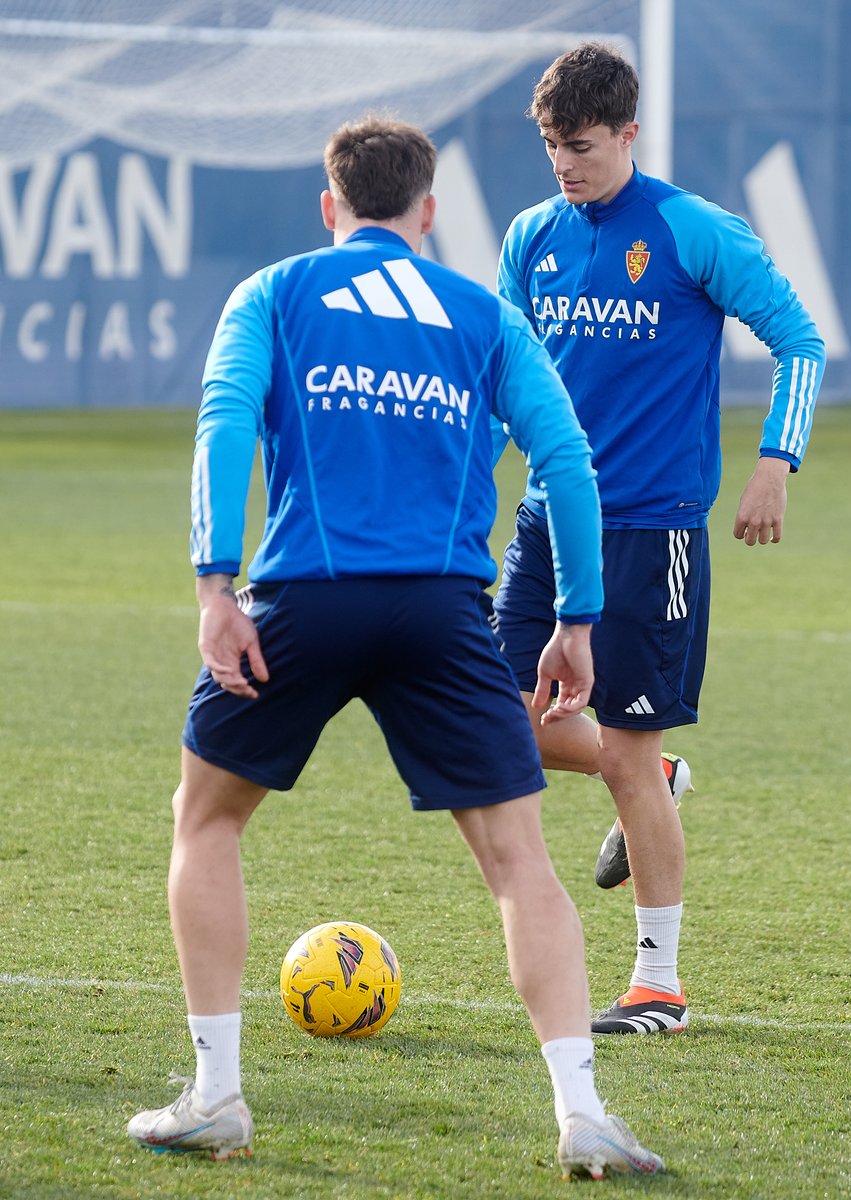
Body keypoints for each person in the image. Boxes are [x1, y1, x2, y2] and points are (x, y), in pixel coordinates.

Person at [126, 116, 664, 1181]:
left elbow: (224, 418)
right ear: (430, 212)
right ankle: (583, 1111)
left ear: (331, 209)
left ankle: (216, 1094)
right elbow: (565, 457)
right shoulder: (482, 312)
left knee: (207, 819)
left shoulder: (275, 293)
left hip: (302, 603)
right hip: (443, 613)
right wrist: (577, 620)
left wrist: (212, 584)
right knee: (520, 862)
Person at [492, 43, 826, 1035]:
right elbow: (503, 370)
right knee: (501, 726)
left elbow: (799, 341)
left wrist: (777, 460)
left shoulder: (692, 231)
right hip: (547, 521)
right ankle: (650, 779)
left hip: (651, 531)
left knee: (631, 755)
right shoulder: (528, 235)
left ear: (629, 133)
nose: (566, 165)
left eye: (583, 146)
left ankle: (659, 986)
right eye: (553, 146)